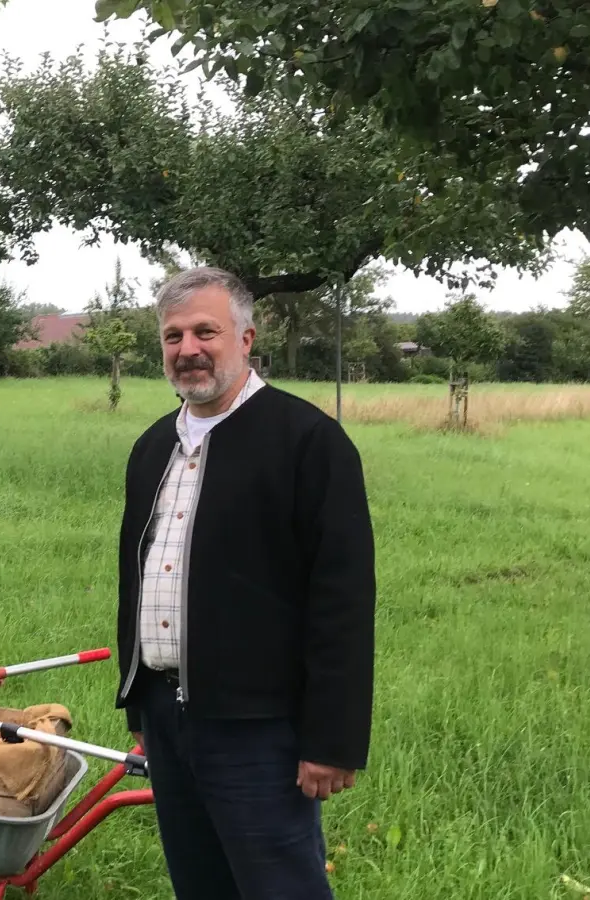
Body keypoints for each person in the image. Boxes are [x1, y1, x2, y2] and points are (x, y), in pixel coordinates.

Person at [113, 266, 376, 899]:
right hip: (166, 716)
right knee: (200, 886)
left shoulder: (308, 442)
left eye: (206, 331)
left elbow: (341, 599)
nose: (189, 350)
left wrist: (333, 738)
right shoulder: (154, 446)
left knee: (279, 888)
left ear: (247, 338)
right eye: (173, 336)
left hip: (258, 728)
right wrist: (139, 703)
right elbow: (139, 580)